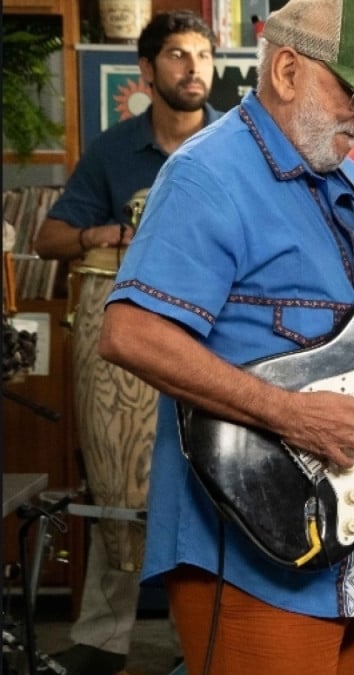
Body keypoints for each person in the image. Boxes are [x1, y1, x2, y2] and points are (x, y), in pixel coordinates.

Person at [94, 0, 354, 671]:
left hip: (343, 544)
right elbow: (131, 334)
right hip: (244, 548)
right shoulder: (205, 174)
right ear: (288, 71)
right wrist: (291, 415)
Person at [32, 11, 218, 675]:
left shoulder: (230, 147)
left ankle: (194, 639)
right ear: (147, 70)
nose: (193, 67)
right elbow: (48, 238)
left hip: (212, 331)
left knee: (204, 481)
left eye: (202, 54)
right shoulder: (113, 151)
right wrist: (99, 234)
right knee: (118, 482)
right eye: (176, 54)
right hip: (124, 331)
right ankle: (103, 636)